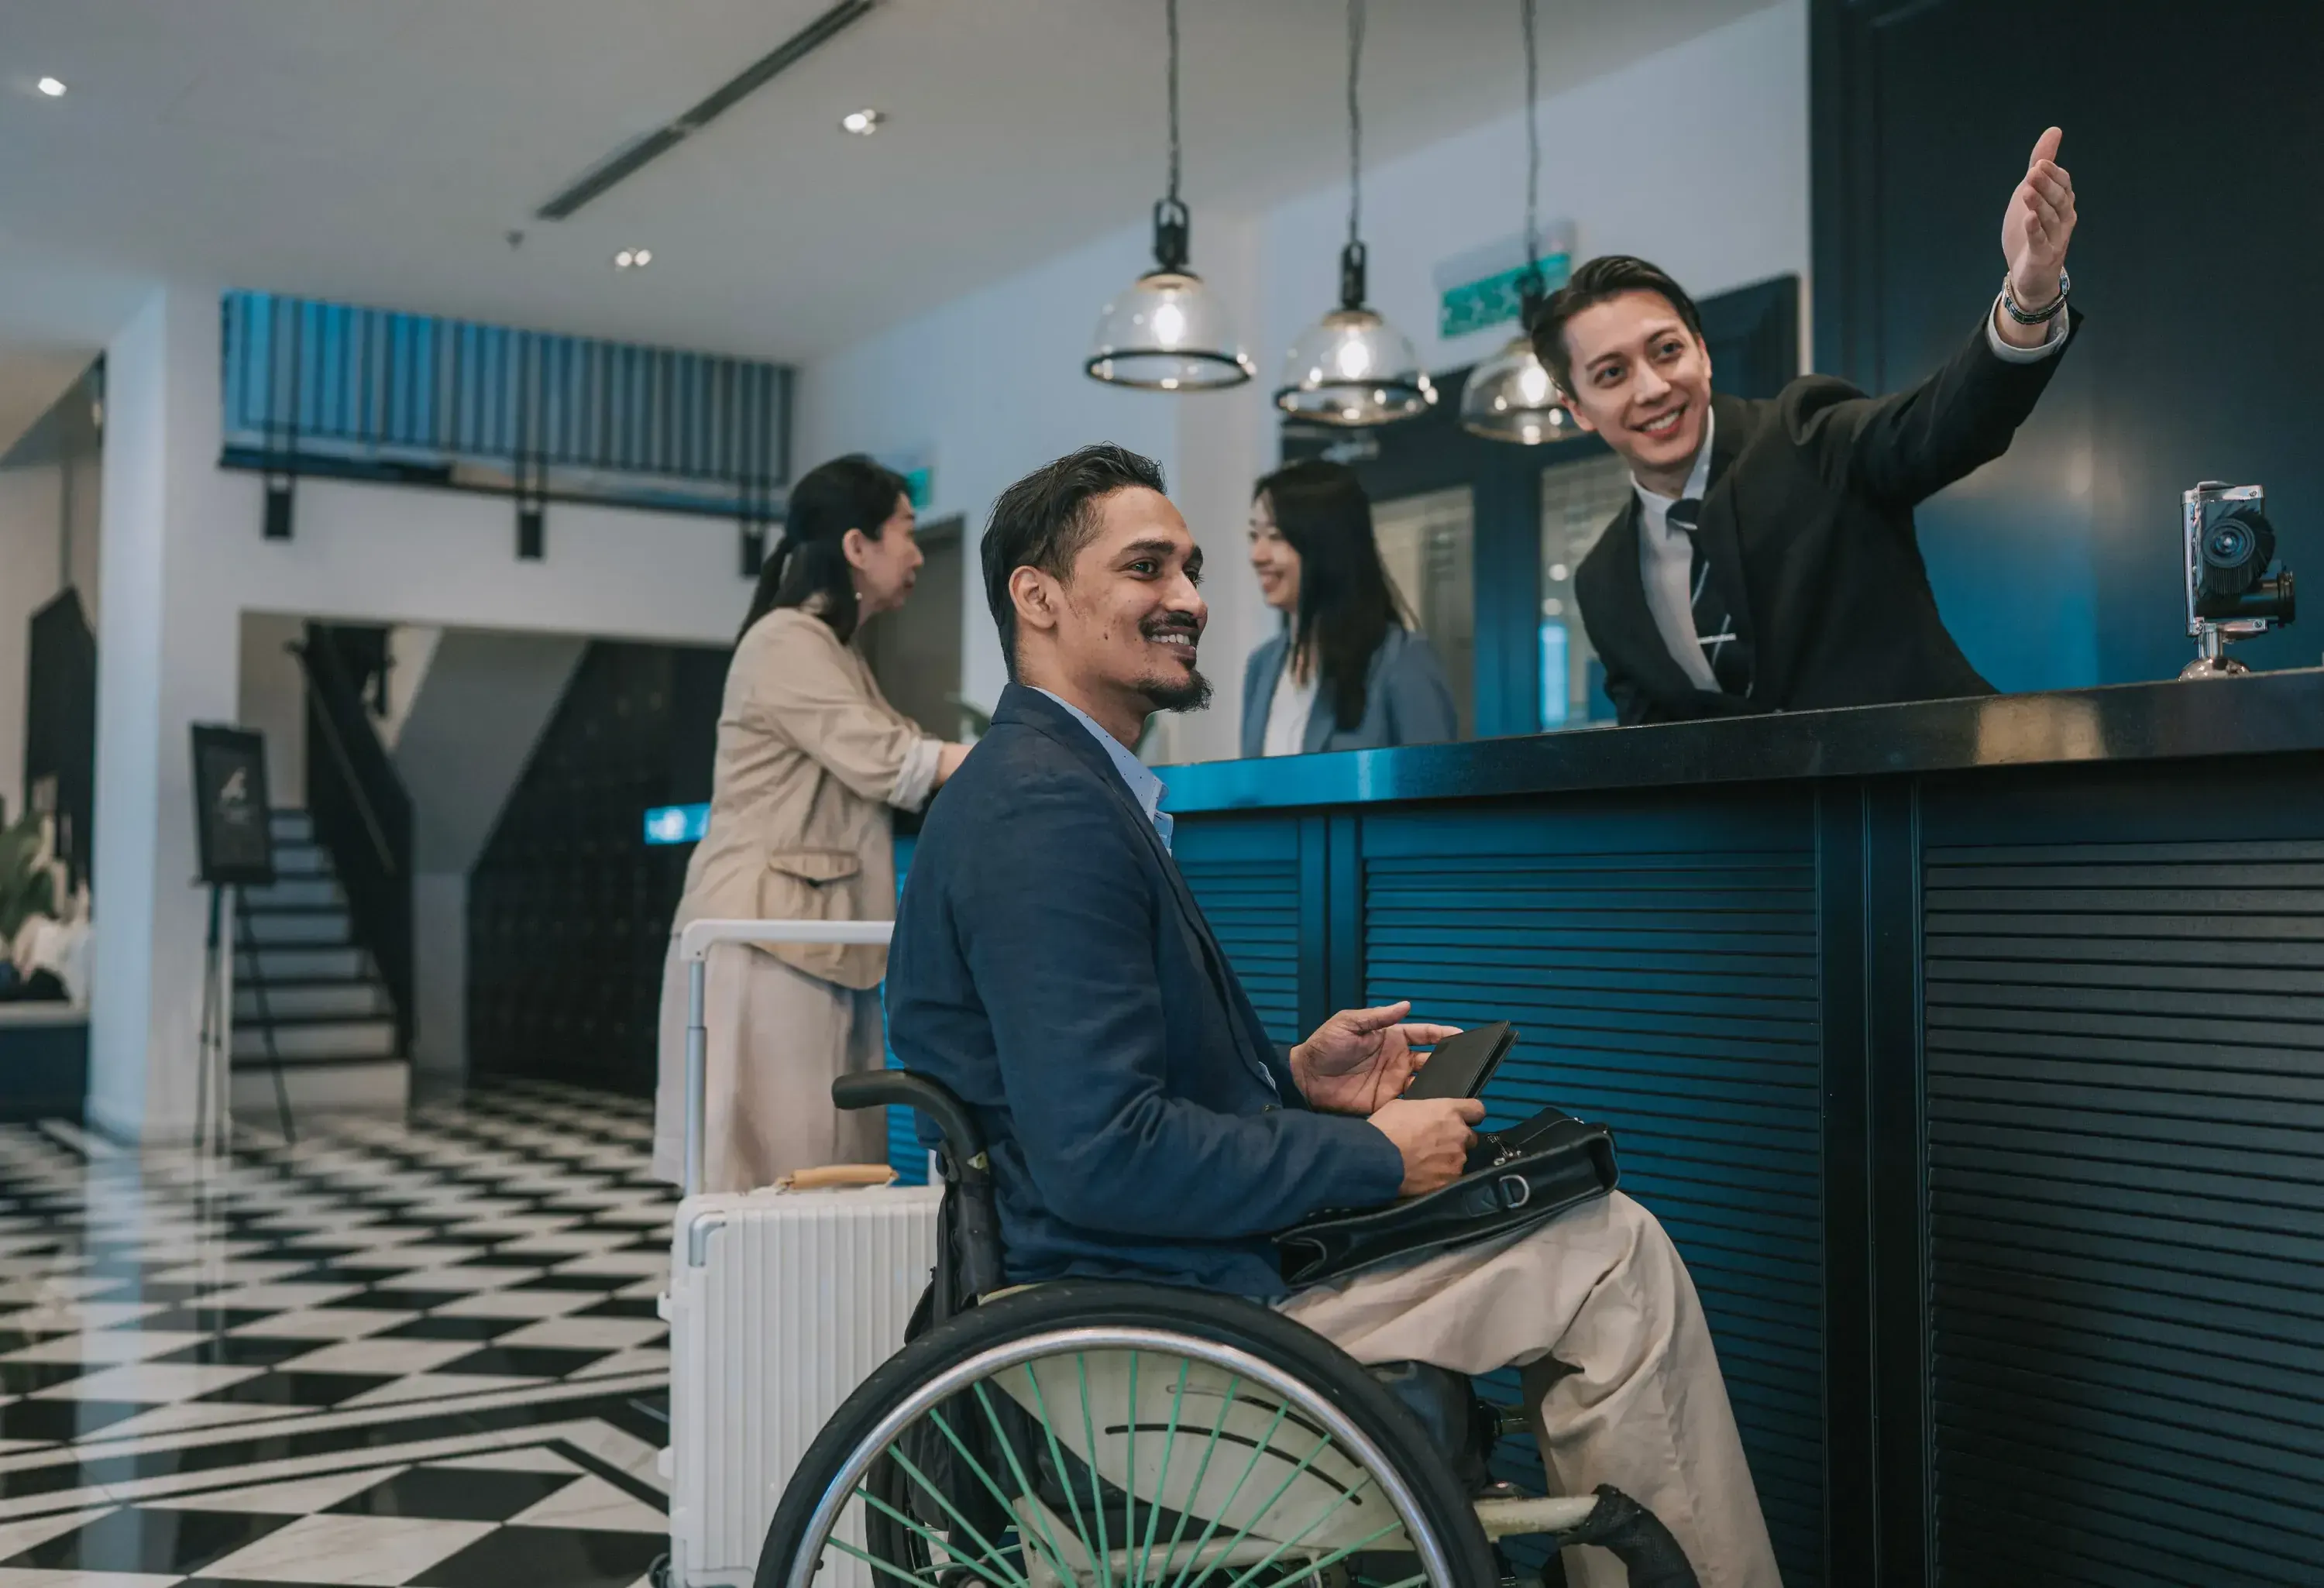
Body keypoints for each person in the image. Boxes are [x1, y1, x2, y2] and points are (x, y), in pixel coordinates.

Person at [888, 444, 1783, 1588]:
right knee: (1616, 1253)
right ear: (1038, 594)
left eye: (1194, 567)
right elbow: (1103, 1155)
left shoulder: (1047, 786)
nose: (1193, 599)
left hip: (1137, 1270)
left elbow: (1091, 1102)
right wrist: (1367, 1153)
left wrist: (1290, 1080)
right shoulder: (1043, 813)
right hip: (1148, 1312)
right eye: (1148, 567)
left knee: (1586, 1226)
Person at [1549, 127, 2082, 725]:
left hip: (1934, 796)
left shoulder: (1801, 434)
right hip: (1762, 823)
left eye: (1666, 350)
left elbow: (1940, 427)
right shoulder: (1602, 581)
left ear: (1702, 353)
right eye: (1612, 372)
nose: (1651, 387)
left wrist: (2027, 295)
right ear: (1576, 407)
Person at [650, 454, 970, 1194]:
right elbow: (889, 760)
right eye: (906, 531)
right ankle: (747, 1317)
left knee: (821, 1177)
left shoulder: (833, 648)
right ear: (857, 546)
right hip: (769, 942)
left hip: (813, 943)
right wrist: (1021, 757)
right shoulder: (787, 639)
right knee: (778, 1182)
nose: (918, 553)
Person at [1241, 460, 1459, 756]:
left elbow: (1436, 790)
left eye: (1277, 536)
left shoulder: (1400, 660)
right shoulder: (1262, 666)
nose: (1258, 555)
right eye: (1254, 536)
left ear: (1328, 546)